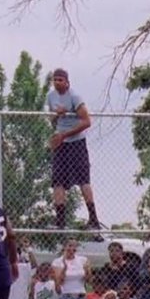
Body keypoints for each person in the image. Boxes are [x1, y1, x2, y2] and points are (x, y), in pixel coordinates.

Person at [46, 68, 100, 230]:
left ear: (67, 82)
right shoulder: (51, 96)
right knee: (57, 181)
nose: (57, 83)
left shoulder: (75, 97)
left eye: (60, 80)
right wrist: (57, 116)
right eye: (55, 80)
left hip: (76, 142)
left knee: (83, 180)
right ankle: (60, 221)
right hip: (61, 143)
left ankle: (93, 219)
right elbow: (51, 120)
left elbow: (86, 122)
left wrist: (66, 133)